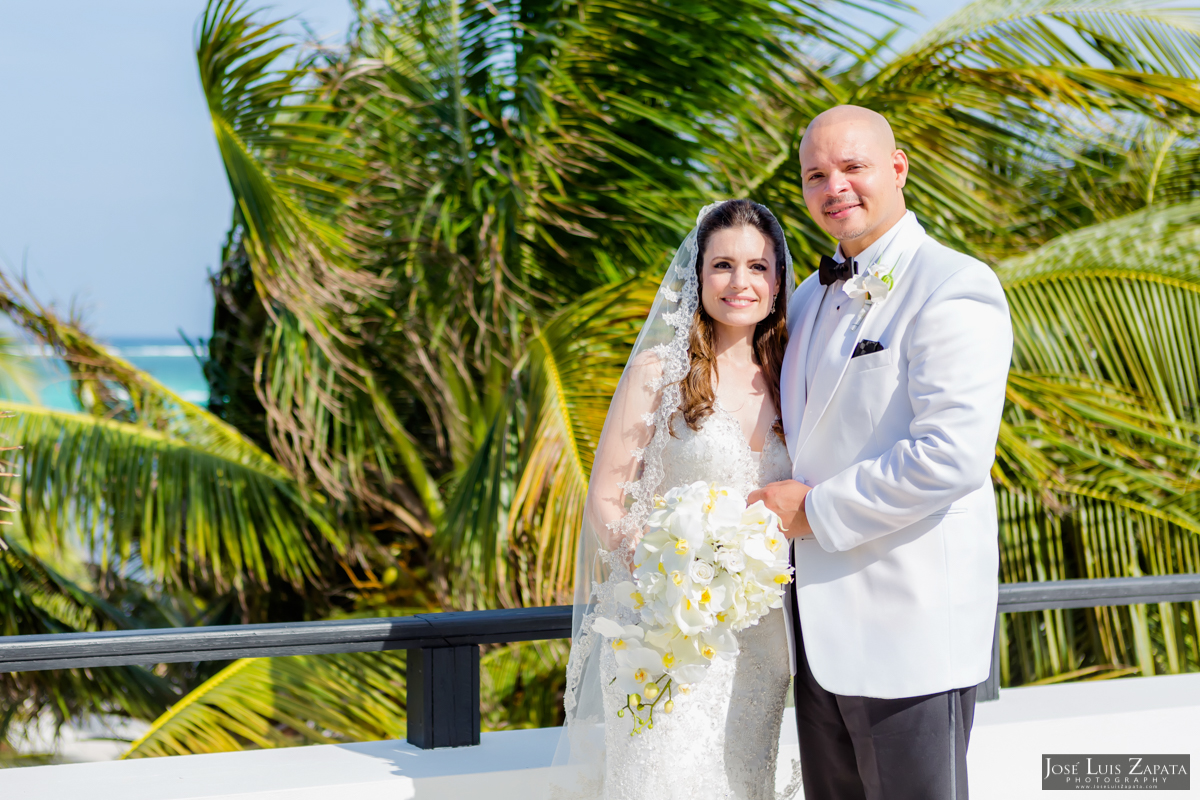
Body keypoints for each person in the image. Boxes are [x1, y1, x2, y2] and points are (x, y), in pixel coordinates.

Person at [748, 105, 1013, 799]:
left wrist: (815, 513)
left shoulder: (954, 283)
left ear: (897, 169)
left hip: (909, 631)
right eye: (816, 174)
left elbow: (950, 456)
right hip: (815, 639)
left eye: (853, 167)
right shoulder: (803, 297)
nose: (835, 185)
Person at [555, 199, 802, 800]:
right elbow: (606, 498)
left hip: (765, 640)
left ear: (778, 280)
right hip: (669, 635)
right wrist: (637, 545)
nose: (739, 283)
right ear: (698, 276)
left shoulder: (799, 376)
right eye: (722, 266)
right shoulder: (657, 372)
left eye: (757, 266)